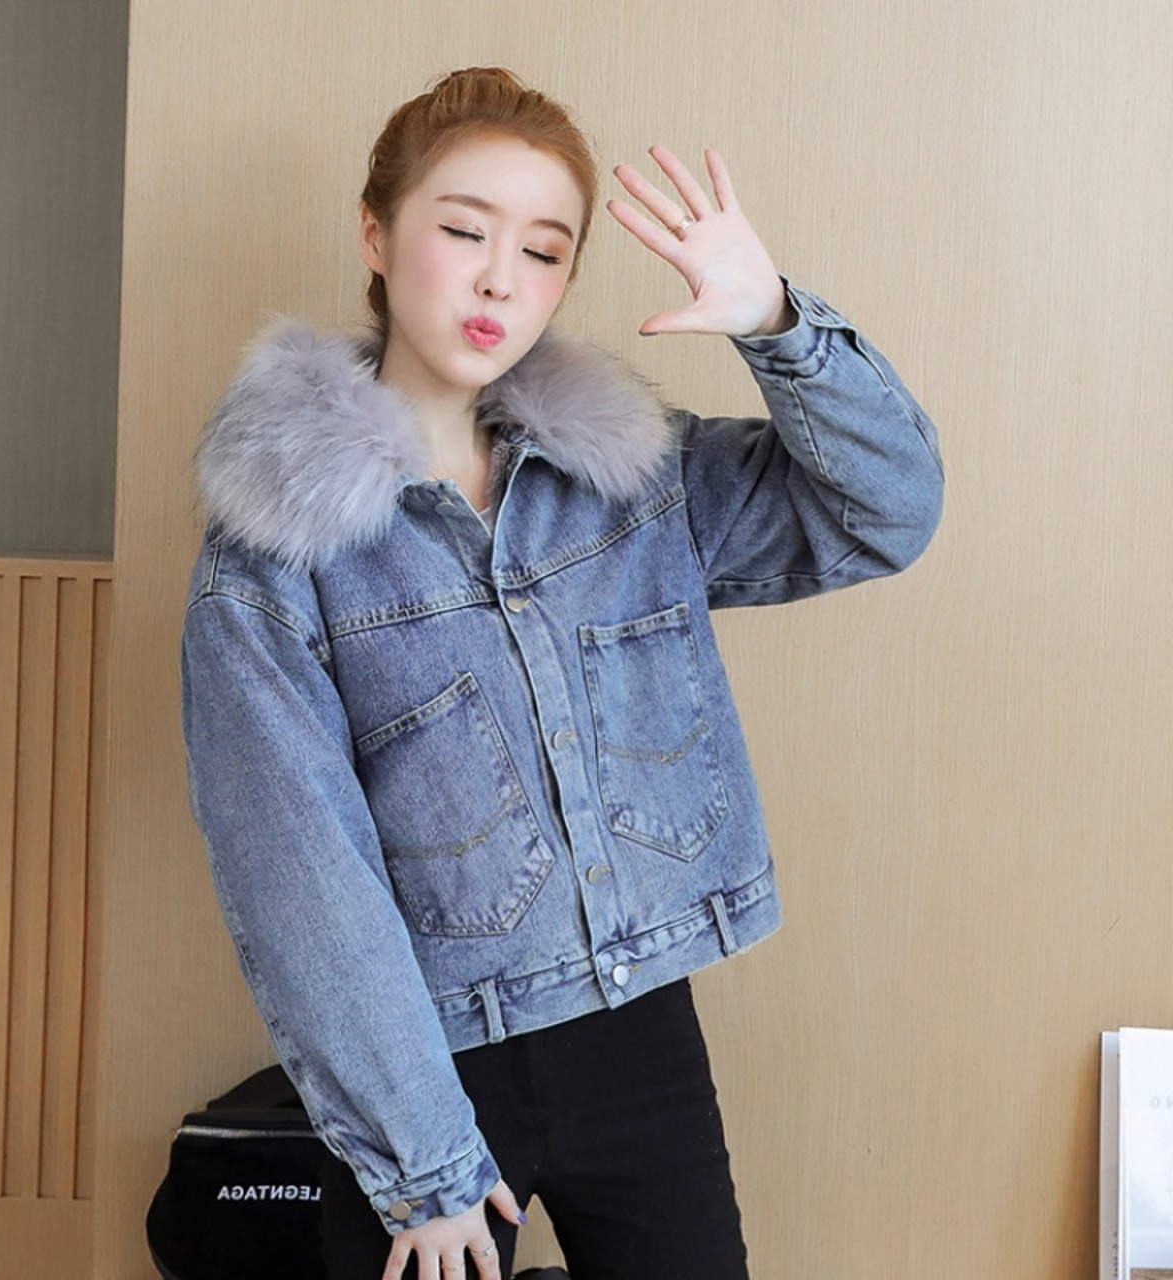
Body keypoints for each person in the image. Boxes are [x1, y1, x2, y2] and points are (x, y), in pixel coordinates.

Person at [182, 67, 943, 1280]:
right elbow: (301, 878)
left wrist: (774, 323)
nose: (500, 279)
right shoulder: (276, 554)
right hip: (427, 1063)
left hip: (639, 1037)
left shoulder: (630, 481)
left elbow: (886, 511)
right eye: (463, 231)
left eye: (542, 251)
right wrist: (423, 1162)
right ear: (375, 233)